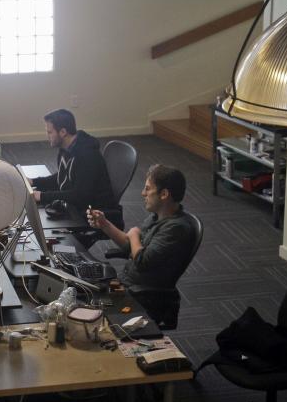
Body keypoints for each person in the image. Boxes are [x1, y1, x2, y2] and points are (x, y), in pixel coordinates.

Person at [87, 164, 198, 293]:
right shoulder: (156, 217)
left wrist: (134, 234)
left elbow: (141, 261)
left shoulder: (176, 229)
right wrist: (104, 224)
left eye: (147, 189)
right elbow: (133, 248)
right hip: (126, 284)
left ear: (164, 194)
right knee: (81, 285)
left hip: (140, 295)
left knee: (83, 297)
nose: (143, 193)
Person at [30, 108, 116, 216]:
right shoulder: (65, 149)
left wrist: (42, 196)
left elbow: (79, 196)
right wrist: (34, 182)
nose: (47, 135)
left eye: (50, 132)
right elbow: (62, 178)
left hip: (92, 215)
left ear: (63, 132)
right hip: (76, 207)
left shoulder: (87, 156)